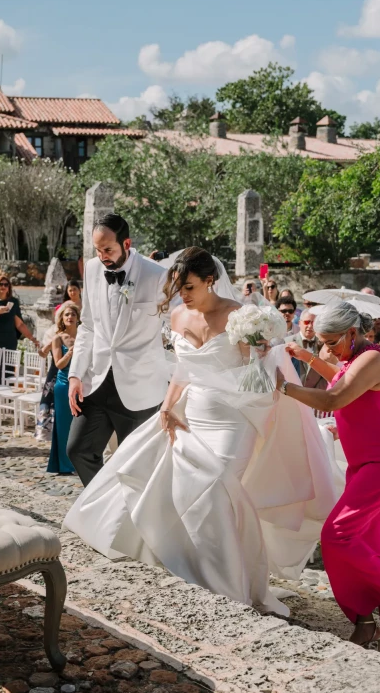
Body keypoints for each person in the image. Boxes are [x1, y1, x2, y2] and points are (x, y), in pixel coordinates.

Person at [64, 247, 337, 611]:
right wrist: (167, 407)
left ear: (210, 280)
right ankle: (197, 566)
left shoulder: (241, 316)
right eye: (179, 288)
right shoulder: (178, 315)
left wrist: (260, 353)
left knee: (216, 488)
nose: (183, 295)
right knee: (182, 488)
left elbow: (258, 375)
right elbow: (183, 370)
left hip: (235, 419)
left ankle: (226, 578)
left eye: (189, 287)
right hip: (193, 414)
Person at [280, 302, 380, 645]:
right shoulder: (357, 359)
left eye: (332, 342)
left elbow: (333, 399)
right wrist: (307, 358)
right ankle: (365, 620)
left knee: (336, 536)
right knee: (367, 543)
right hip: (368, 462)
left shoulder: (372, 360)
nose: (328, 350)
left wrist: (284, 388)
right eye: (322, 343)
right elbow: (338, 378)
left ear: (352, 333)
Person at [66, 213, 168, 487]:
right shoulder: (91, 269)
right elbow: (88, 325)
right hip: (97, 381)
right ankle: (104, 504)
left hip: (140, 387)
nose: (102, 257)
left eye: (108, 250)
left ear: (127, 243)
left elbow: (175, 325)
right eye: (97, 250)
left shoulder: (156, 274)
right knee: (78, 450)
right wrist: (75, 374)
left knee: (134, 468)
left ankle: (127, 512)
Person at [0, 275, 39, 378]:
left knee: (7, 372)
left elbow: (19, 324)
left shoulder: (13, 302)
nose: (3, 286)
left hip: (8, 341)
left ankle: (5, 388)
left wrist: (32, 339)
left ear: (9, 287)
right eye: (1, 284)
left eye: (6, 285)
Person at [47, 303, 80, 475]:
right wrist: (70, 352)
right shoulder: (58, 339)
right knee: (64, 425)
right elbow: (59, 364)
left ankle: (81, 461)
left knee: (81, 425)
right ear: (62, 318)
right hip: (63, 385)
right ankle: (65, 465)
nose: (70, 317)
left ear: (77, 317)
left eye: (73, 314)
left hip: (82, 384)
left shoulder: (84, 336)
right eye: (67, 314)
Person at [285, 310, 326, 390]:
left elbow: (326, 371)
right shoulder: (287, 342)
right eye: (307, 322)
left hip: (316, 393)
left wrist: (316, 392)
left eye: (313, 323)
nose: (310, 326)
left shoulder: (324, 344)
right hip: (292, 391)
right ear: (299, 323)